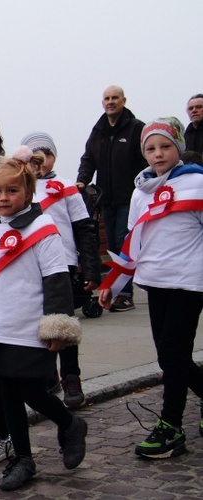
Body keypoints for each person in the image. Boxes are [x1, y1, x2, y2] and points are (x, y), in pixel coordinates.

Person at [0, 158, 87, 491]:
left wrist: (57, 328)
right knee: (7, 395)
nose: (4, 197)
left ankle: (69, 423)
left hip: (28, 328)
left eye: (12, 190)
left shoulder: (44, 229)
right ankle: (22, 458)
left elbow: (57, 279)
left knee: (28, 390)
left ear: (28, 191)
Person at [99, 117, 203, 458]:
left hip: (188, 282)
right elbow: (134, 242)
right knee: (169, 356)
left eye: (165, 146)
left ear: (178, 148)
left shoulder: (197, 183)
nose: (158, 154)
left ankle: (171, 426)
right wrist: (114, 285)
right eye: (151, 148)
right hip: (154, 282)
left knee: (173, 356)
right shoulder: (140, 191)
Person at [20, 133, 102, 409]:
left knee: (63, 322)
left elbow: (84, 227)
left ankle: (71, 376)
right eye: (35, 155)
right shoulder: (19, 187)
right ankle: (47, 372)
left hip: (62, 261)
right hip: (30, 262)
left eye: (47, 154)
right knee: (36, 321)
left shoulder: (65, 186)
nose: (41, 161)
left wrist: (90, 266)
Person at [77, 85, 146, 312]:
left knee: (122, 243)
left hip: (130, 196)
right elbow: (88, 159)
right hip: (107, 199)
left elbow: (147, 162)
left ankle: (125, 294)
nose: (110, 101)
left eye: (115, 97)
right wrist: (82, 181)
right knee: (113, 245)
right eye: (106, 98)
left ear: (124, 100)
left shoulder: (136, 129)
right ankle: (114, 291)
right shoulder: (98, 131)